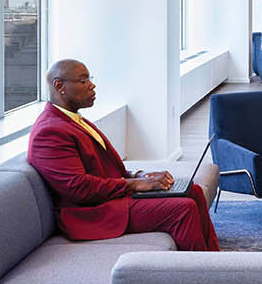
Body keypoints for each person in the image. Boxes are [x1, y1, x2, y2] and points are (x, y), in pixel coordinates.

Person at [27, 59, 219, 250]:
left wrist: (139, 175)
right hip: (92, 213)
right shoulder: (50, 131)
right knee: (183, 209)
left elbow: (102, 170)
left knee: (193, 191)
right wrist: (133, 184)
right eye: (84, 81)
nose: (92, 85)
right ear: (59, 85)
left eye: (90, 79)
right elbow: (78, 188)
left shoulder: (73, 120)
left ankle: (215, 260)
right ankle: (198, 269)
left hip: (110, 198)